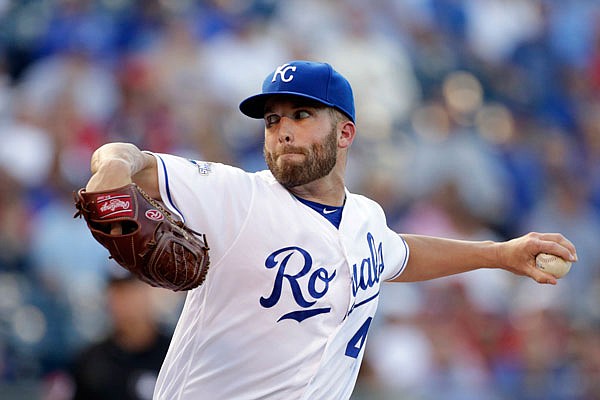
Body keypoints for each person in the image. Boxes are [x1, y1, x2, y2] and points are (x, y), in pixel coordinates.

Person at [82, 60, 577, 400]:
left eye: (301, 114)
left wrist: (500, 254)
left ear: (345, 132)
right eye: (272, 120)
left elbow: (399, 255)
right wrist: (111, 167)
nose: (283, 130)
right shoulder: (237, 196)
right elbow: (130, 157)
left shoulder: (365, 218)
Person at [70, 265, 172, 400]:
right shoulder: (90, 362)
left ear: (148, 292)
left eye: (131, 291)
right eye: (117, 293)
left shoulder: (174, 352)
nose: (125, 302)